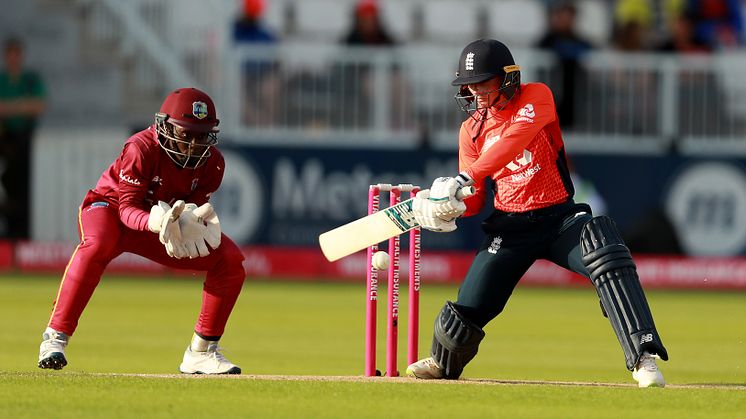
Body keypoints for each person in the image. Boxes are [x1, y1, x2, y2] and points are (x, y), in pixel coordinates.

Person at [406, 39, 669, 388]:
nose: (475, 91)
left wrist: (465, 177)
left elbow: (513, 141)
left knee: (605, 252)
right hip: (510, 228)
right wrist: (446, 209)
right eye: (470, 84)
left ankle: (643, 356)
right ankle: (443, 363)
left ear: (507, 78)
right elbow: (472, 201)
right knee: (469, 308)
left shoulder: (536, 96)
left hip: (560, 218)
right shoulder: (470, 132)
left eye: (484, 82)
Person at [37, 87, 246, 375]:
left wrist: (188, 223)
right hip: (110, 209)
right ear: (165, 126)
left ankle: (201, 352)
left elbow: (190, 209)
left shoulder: (214, 164)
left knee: (230, 261)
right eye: (186, 134)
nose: (194, 145)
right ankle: (55, 337)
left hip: (160, 225)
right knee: (98, 245)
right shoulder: (141, 147)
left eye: (202, 135)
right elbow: (126, 208)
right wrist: (155, 222)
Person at [0, 36, 46, 239]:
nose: (13, 59)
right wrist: (21, 106)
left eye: (16, 54)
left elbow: (38, 106)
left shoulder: (30, 79)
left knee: (24, 189)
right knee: (6, 187)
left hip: (24, 140)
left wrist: (9, 108)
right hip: (4, 139)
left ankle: (21, 233)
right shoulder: (3, 80)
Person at [536, 1, 593, 129]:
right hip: (553, 92)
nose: (565, 21)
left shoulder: (579, 40)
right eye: (562, 16)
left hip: (573, 96)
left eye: (569, 17)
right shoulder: (547, 40)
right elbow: (543, 50)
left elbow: (590, 50)